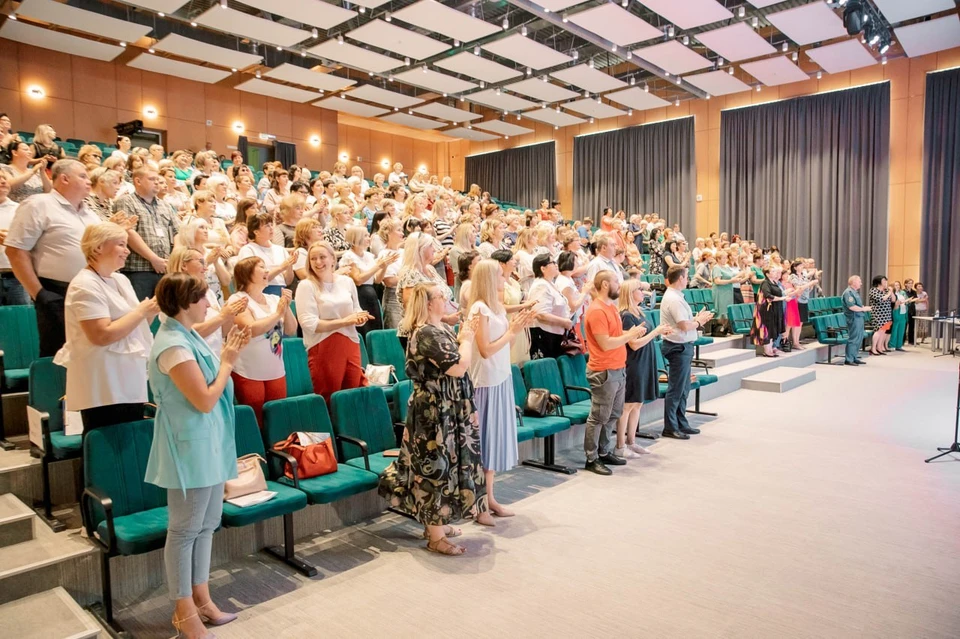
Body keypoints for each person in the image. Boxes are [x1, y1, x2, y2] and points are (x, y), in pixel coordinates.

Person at [145, 273, 249, 639]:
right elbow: (204, 399)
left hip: (210, 441)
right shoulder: (173, 344)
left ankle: (202, 598)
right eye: (204, 298)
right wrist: (228, 361)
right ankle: (182, 609)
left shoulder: (187, 335)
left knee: (207, 525)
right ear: (187, 302)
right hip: (189, 445)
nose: (209, 305)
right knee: (185, 530)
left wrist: (226, 358)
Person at [378, 283, 485, 556]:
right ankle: (435, 536)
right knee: (434, 469)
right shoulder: (425, 333)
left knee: (446, 465)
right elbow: (459, 366)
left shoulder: (440, 329)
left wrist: (463, 336)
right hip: (434, 412)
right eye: (441, 296)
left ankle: (435, 523)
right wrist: (468, 338)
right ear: (428, 303)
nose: (446, 298)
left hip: (448, 407)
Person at [54, 223, 157, 431]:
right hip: (103, 384)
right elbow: (100, 335)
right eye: (121, 244)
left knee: (130, 439)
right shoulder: (85, 284)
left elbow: (136, 326)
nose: (127, 251)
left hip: (127, 378)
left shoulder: (120, 279)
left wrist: (152, 311)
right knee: (107, 444)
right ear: (99, 247)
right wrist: (140, 311)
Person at [4, 159, 99, 356]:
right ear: (64, 178)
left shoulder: (91, 213)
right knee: (58, 355)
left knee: (89, 354)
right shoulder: (39, 204)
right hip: (55, 292)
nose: (89, 181)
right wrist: (39, 294)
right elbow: (15, 251)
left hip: (92, 291)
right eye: (82, 176)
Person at [467, 261, 534, 524]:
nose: (504, 278)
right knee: (484, 443)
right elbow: (484, 349)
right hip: (485, 382)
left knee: (493, 442)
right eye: (499, 275)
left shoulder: (495, 306)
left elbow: (507, 341)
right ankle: (479, 503)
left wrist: (515, 328)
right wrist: (511, 332)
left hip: (501, 376)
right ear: (487, 278)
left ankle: (490, 498)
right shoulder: (479, 308)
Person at [581, 271, 648, 475]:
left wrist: (630, 334)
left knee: (614, 414)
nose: (619, 285)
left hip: (618, 367)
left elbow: (617, 337)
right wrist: (631, 334)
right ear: (604, 285)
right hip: (603, 370)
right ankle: (591, 458)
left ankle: (603, 451)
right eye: (616, 282)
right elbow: (605, 343)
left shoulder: (611, 307)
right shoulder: (597, 311)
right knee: (599, 416)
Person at [295, 241, 371, 401]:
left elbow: (356, 310)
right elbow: (309, 324)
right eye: (313, 258)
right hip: (323, 346)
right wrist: (345, 321)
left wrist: (360, 318)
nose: (318, 262)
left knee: (353, 394)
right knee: (330, 396)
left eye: (322, 257)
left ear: (332, 259)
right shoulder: (306, 286)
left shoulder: (347, 281)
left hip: (350, 343)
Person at [227, 256, 298, 425]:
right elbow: (251, 329)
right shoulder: (238, 299)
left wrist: (286, 307)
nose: (267, 271)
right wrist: (277, 314)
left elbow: (291, 330)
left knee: (277, 420)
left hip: (276, 370)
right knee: (255, 420)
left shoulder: (274, 299)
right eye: (261, 267)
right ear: (246, 273)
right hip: (249, 371)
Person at [617, 279, 672, 458]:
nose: (643, 292)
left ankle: (632, 442)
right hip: (634, 361)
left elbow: (646, 337)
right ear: (630, 293)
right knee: (628, 404)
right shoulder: (626, 315)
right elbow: (633, 344)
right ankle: (620, 445)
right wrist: (655, 332)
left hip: (645, 359)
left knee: (638, 403)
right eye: (639, 289)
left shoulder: (639, 312)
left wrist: (659, 332)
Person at [659, 266, 714, 440]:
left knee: (683, 388)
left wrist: (696, 320)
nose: (688, 279)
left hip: (683, 346)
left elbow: (684, 322)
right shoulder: (674, 299)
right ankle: (670, 426)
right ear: (681, 278)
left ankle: (681, 421)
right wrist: (698, 321)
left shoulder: (677, 296)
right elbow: (683, 325)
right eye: (686, 276)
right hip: (678, 347)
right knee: (676, 389)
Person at [114, 167, 180, 300]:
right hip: (139, 269)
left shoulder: (165, 205)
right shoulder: (126, 201)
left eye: (158, 179)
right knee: (141, 315)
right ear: (137, 181)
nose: (157, 182)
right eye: (151, 179)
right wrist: (153, 259)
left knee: (164, 313)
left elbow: (177, 231)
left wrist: (175, 257)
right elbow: (128, 232)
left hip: (165, 267)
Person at [339, 226, 396, 335]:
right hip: (359, 295)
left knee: (375, 327)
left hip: (371, 294)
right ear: (356, 238)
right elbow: (358, 280)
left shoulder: (369, 256)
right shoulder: (349, 256)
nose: (368, 238)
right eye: (365, 236)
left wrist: (384, 266)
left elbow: (377, 280)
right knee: (364, 329)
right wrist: (378, 266)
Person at [527, 253, 573, 360]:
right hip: (545, 336)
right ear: (543, 268)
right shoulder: (540, 286)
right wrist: (564, 322)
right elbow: (541, 314)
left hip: (555, 334)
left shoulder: (549, 283)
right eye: (552, 262)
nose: (556, 265)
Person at [237, 213, 295, 296]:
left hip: (281, 292)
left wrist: (289, 265)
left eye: (272, 225)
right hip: (260, 293)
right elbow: (254, 280)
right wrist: (281, 268)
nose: (271, 228)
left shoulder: (280, 249)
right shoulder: (248, 250)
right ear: (256, 231)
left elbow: (288, 281)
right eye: (267, 226)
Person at [0, 172, 29, 305]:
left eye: (4, 178)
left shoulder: (20, 209)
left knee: (22, 322)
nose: (3, 181)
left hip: (17, 275)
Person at [841, 275, 869, 366]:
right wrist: (863, 309)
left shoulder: (855, 292)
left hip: (859, 317)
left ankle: (854, 357)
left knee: (859, 338)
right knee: (853, 338)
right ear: (853, 282)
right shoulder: (848, 292)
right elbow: (851, 306)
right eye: (859, 281)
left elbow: (858, 306)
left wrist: (864, 308)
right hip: (853, 318)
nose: (861, 283)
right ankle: (849, 359)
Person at [868, 275, 894, 356]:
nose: (886, 282)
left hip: (887, 314)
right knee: (878, 331)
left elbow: (893, 300)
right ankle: (873, 348)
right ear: (878, 282)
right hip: (878, 314)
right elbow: (882, 299)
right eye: (884, 281)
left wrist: (891, 292)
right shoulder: (873, 290)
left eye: (886, 281)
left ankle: (879, 347)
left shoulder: (886, 291)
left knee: (883, 332)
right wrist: (889, 292)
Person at [889, 281, 909, 352]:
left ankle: (899, 345)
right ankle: (892, 345)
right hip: (896, 311)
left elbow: (905, 301)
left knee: (901, 329)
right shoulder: (892, 293)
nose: (897, 286)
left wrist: (907, 301)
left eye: (898, 285)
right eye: (895, 285)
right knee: (895, 329)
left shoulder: (902, 293)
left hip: (903, 311)